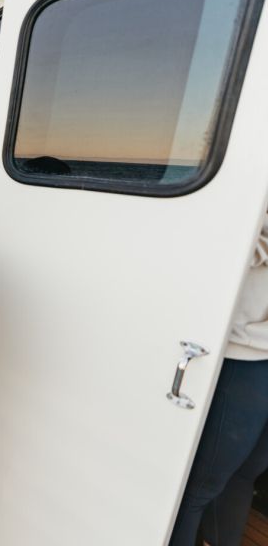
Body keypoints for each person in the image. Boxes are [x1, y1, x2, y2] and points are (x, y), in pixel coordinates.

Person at [169, 212, 268, 546]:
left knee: (244, 475)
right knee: (201, 487)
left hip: (255, 353)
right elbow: (227, 237)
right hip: (244, 353)